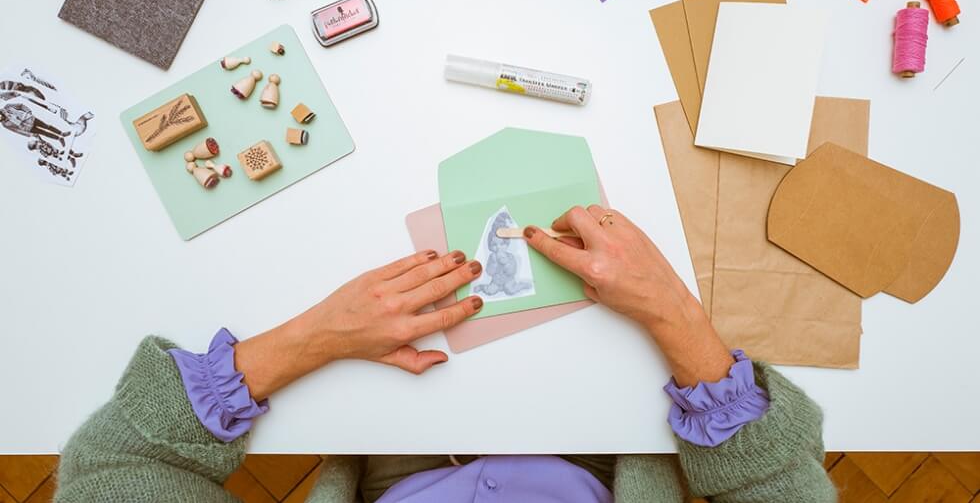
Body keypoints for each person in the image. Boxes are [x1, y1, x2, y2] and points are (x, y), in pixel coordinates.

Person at [53, 206, 836, 502]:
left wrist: (319, 333)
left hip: (389, 448)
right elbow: (781, 483)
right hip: (615, 441)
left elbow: (116, 472)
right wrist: (673, 312)